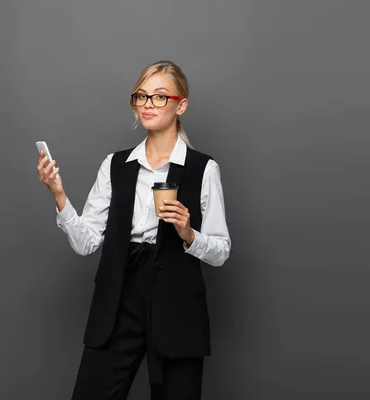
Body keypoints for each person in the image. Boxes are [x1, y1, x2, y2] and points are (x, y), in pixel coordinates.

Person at [36, 60, 231, 400]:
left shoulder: (203, 169)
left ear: (180, 105)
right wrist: (59, 194)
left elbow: (221, 250)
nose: (147, 104)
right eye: (141, 96)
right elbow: (87, 243)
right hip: (119, 297)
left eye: (158, 97)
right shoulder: (115, 165)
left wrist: (188, 234)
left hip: (177, 302)